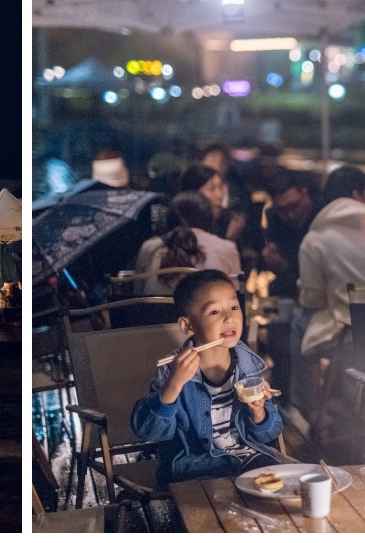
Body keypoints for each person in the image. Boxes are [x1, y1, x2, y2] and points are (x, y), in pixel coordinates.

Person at [132, 269, 286, 482]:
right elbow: (149, 432)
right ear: (188, 325)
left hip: (247, 461)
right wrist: (174, 384)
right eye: (214, 312)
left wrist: (259, 413)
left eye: (234, 307)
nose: (229, 317)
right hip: (196, 469)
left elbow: (270, 432)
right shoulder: (173, 370)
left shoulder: (247, 363)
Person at [297, 166, 365, 357]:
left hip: (347, 330)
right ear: (356, 195)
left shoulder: (314, 239)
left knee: (299, 322)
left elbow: (312, 299)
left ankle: (304, 388)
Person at [135, 191, 244, 294]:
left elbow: (138, 293)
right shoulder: (226, 247)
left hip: (153, 313)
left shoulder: (149, 247)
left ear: (169, 218)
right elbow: (236, 298)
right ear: (208, 218)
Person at [258, 169, 322, 299]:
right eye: (282, 210)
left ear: (304, 192)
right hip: (288, 289)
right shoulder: (274, 219)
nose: (290, 214)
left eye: (294, 206)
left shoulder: (324, 215)